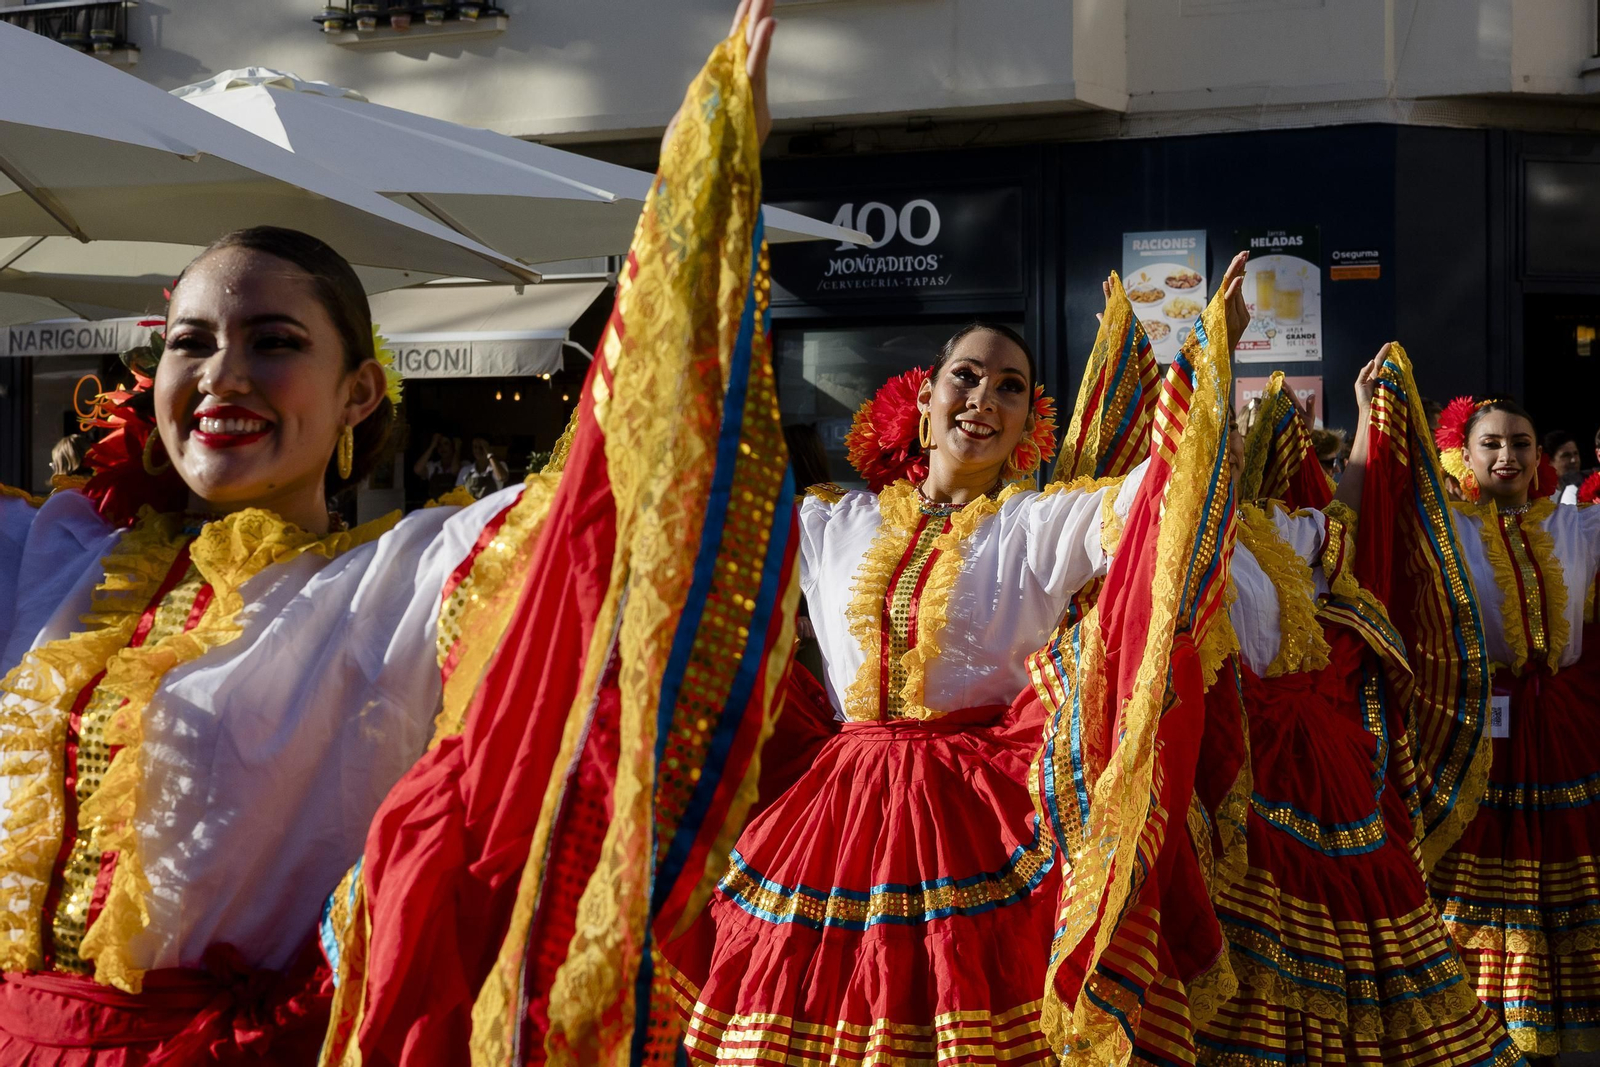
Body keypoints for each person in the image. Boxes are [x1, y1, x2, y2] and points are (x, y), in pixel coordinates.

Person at [0, 226, 554, 1063]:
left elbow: (621, 487)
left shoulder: (405, 581)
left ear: (359, 392)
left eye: (276, 342)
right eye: (192, 343)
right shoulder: (48, 557)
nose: (222, 375)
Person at [1182, 352, 1520, 1065]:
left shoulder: (1279, 527)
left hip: (1322, 753)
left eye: (1236, 448)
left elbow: (1350, 511)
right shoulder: (1177, 540)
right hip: (1240, 761)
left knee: (1357, 903)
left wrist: (1369, 414)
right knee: (1259, 919)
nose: (1230, 458)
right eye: (1216, 446)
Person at [1427, 392, 1600, 1063]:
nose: (1509, 455)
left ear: (1539, 457)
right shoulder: (1445, 529)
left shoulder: (1574, 525)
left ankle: (1567, 1014)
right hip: (1479, 729)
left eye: (1521, 443)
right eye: (1492, 444)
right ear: (1464, 454)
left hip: (1561, 728)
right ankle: (1483, 1016)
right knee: (1481, 869)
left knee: (1568, 863)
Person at [412, 430, 462, 499]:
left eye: (446, 444)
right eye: (439, 444)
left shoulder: (464, 465)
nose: (442, 448)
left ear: (453, 445)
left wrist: (457, 449)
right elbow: (417, 469)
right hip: (436, 507)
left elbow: (455, 470)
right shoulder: (433, 466)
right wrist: (432, 446)